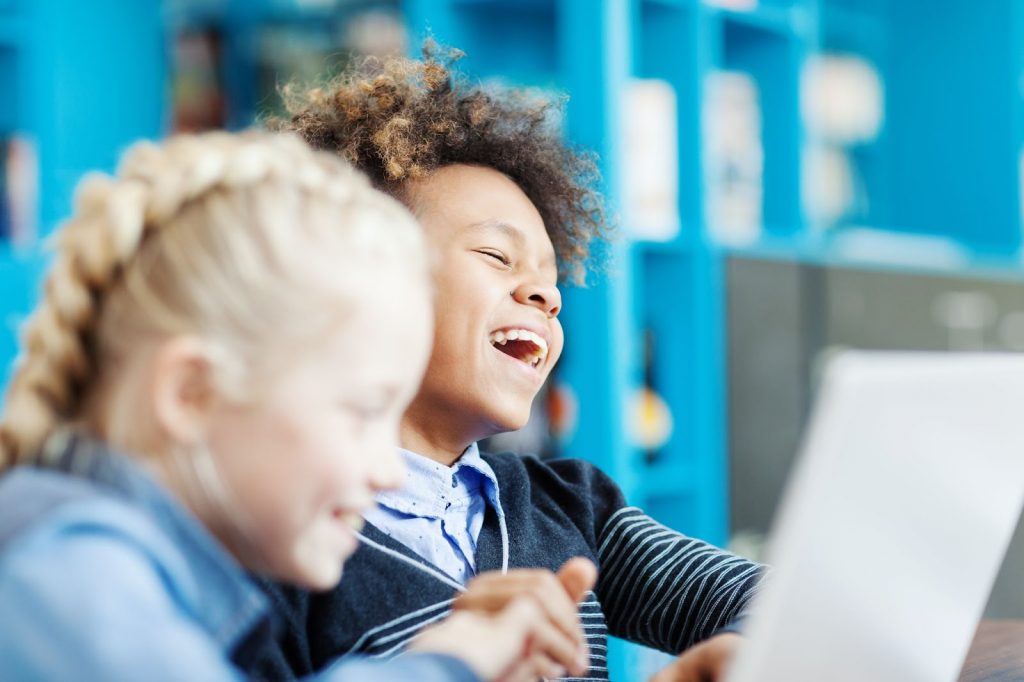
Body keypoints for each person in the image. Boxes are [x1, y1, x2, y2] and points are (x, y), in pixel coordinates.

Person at [0, 130, 593, 681]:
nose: (388, 470)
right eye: (362, 411)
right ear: (191, 394)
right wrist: (452, 662)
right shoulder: (70, 578)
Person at [262, 47, 764, 681]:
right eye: (498, 257)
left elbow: (767, 602)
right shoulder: (285, 536)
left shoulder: (574, 507)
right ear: (364, 277)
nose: (545, 295)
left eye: (551, 281)